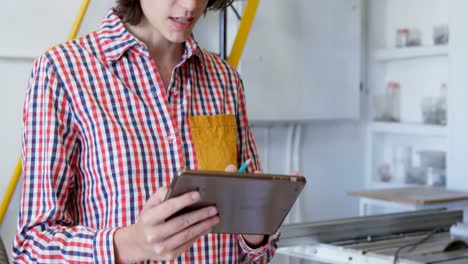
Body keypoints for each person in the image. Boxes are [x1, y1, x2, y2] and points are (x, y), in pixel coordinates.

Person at [12, 0, 278, 263]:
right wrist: (130, 244)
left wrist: (256, 231)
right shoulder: (62, 73)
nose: (190, 5)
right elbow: (31, 248)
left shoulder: (225, 81)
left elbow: (256, 253)